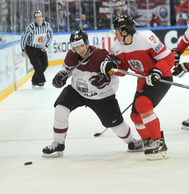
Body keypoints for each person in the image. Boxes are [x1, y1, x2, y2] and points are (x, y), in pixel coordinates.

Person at [42, 29, 143, 158]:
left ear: (87, 43)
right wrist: (61, 76)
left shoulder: (101, 55)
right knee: (61, 108)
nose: (80, 49)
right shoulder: (71, 56)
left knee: (115, 124)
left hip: (102, 96)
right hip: (77, 91)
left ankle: (132, 142)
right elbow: (66, 70)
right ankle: (58, 143)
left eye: (82, 45)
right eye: (76, 47)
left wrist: (104, 79)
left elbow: (112, 71)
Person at [101, 15, 175, 160]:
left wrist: (157, 71)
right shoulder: (116, 46)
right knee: (135, 115)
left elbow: (169, 58)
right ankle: (148, 140)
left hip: (161, 76)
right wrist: (113, 68)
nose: (114, 33)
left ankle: (159, 142)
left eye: (116, 30)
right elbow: (122, 70)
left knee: (143, 104)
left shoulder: (146, 38)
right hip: (143, 79)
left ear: (124, 31)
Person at [21, 10, 53, 88]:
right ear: (35, 19)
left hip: (41, 48)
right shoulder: (31, 27)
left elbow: (50, 35)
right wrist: (23, 49)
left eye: (40, 17)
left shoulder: (47, 25)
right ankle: (41, 81)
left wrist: (46, 45)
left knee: (45, 64)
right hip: (31, 48)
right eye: (37, 18)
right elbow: (24, 38)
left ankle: (34, 80)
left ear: (42, 17)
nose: (39, 19)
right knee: (37, 65)